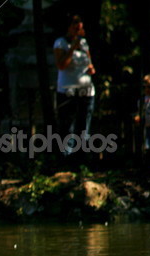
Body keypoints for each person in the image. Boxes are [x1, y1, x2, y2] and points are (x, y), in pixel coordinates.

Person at [54, 15, 96, 155]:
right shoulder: (60, 43)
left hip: (86, 91)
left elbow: (89, 64)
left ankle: (82, 158)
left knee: (84, 126)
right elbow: (61, 65)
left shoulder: (84, 43)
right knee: (68, 126)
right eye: (74, 24)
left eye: (80, 23)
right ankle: (67, 157)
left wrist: (91, 69)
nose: (78, 26)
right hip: (68, 91)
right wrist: (72, 48)